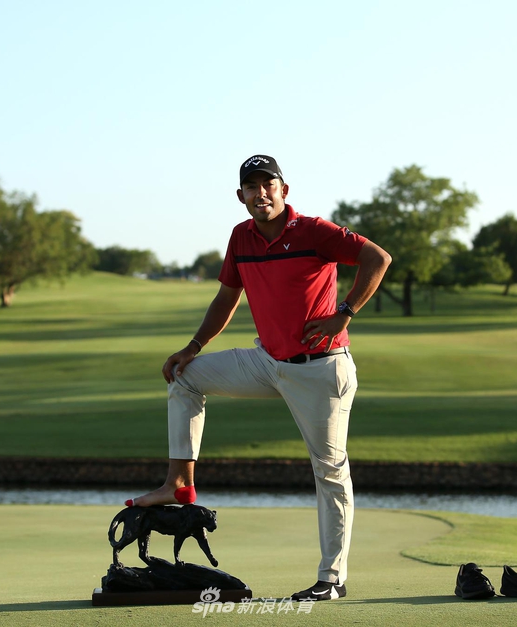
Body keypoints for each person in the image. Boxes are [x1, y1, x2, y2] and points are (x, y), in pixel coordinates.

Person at [127, 154, 391, 601]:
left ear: (284, 190)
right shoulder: (240, 237)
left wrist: (344, 313)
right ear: (241, 196)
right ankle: (178, 482)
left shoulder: (314, 231)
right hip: (266, 362)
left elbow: (377, 258)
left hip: (321, 370)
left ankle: (332, 579)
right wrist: (191, 348)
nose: (260, 193)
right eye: (251, 187)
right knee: (185, 378)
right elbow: (227, 297)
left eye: (268, 184)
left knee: (329, 472)